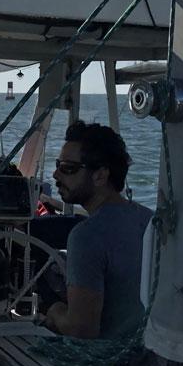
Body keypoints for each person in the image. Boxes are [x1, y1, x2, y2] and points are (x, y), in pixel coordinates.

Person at [43, 120, 152, 339]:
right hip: (146, 357)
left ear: (100, 175)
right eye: (57, 165)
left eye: (67, 168)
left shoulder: (87, 235)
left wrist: (54, 312)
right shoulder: (148, 219)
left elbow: (81, 330)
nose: (56, 175)